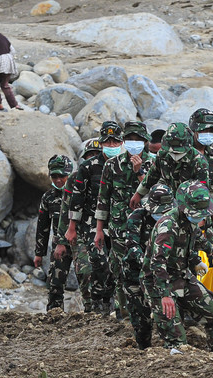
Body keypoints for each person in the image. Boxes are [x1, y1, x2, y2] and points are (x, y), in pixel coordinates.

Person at [141, 180, 213, 352]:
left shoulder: (190, 220)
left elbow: (197, 238)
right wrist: (165, 295)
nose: (200, 217)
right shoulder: (168, 226)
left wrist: (210, 251)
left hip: (182, 276)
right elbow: (157, 263)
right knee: (177, 339)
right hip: (159, 283)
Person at [94, 121, 151, 323]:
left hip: (146, 230)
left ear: (145, 141)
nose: (134, 143)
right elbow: (103, 198)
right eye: (130, 139)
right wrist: (99, 230)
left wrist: (139, 172)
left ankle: (147, 313)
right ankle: (124, 314)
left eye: (138, 139)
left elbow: (157, 195)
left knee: (146, 271)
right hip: (119, 229)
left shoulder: (154, 164)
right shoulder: (112, 165)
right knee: (119, 272)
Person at [66, 125, 125, 313]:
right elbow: (77, 197)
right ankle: (98, 300)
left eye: (115, 141)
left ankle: (110, 301)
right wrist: (72, 227)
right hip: (91, 221)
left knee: (117, 263)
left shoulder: (126, 165)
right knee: (100, 262)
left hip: (117, 221)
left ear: (121, 142)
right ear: (101, 143)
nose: (111, 145)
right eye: (108, 142)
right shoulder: (88, 167)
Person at [54, 139, 110, 313]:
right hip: (80, 231)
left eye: (95, 155)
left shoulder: (113, 173)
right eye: (89, 155)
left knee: (108, 269)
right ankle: (90, 307)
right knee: (85, 270)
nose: (92, 158)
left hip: (108, 230)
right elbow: (66, 210)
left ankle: (107, 306)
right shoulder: (74, 179)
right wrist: (62, 240)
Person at [120, 184, 174, 349]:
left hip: (161, 276)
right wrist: (148, 263)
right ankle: (143, 349)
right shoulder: (137, 217)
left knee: (168, 314)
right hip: (135, 274)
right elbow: (131, 245)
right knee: (142, 319)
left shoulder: (173, 220)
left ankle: (172, 346)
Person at [129, 122, 210, 209]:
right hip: (166, 202)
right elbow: (153, 175)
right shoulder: (163, 154)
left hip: (189, 205)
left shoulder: (199, 162)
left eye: (179, 152)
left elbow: (202, 191)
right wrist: (139, 194)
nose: (175, 154)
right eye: (172, 151)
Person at [34, 155, 74, 311]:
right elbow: (42, 226)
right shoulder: (48, 197)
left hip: (80, 244)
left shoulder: (80, 193)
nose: (58, 180)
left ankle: (92, 316)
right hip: (59, 247)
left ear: (69, 174)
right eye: (54, 176)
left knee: (88, 281)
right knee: (54, 284)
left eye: (62, 176)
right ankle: (54, 316)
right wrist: (39, 253)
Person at [189, 108, 213, 191]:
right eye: (204, 130)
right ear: (194, 130)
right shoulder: (185, 153)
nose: (208, 134)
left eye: (211, 131)